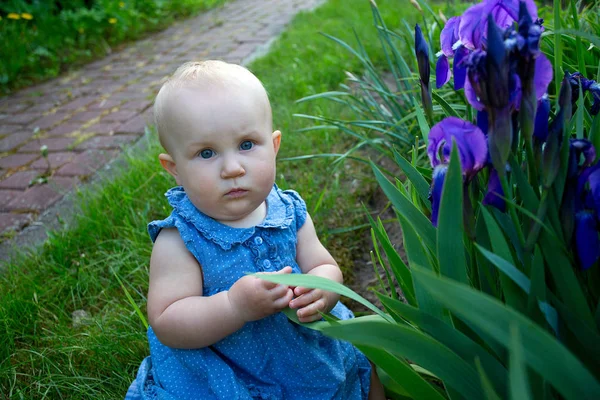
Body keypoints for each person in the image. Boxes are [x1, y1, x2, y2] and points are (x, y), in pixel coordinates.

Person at [125, 60, 386, 400]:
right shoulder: (180, 240)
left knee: (362, 365)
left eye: (247, 144)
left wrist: (324, 289)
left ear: (274, 145)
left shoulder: (289, 211)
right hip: (233, 370)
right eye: (207, 153)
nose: (232, 168)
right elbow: (168, 321)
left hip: (308, 349)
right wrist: (233, 306)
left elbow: (323, 264)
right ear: (174, 168)